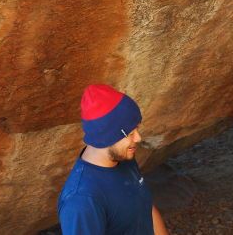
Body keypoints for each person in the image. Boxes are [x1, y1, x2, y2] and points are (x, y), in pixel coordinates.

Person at [57, 84, 170, 234]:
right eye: (130, 133)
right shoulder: (82, 201)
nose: (138, 138)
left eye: (137, 128)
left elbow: (145, 205)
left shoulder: (124, 157)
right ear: (106, 137)